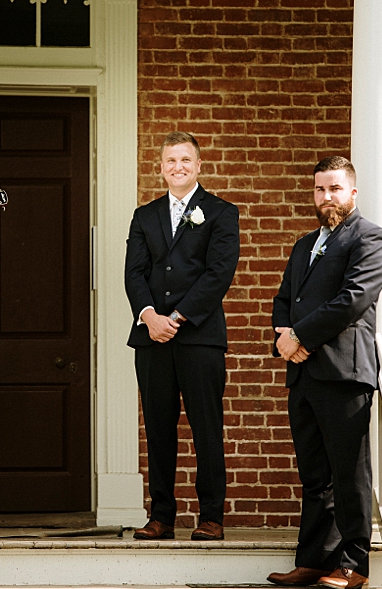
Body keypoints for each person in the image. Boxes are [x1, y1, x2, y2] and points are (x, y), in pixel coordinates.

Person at [267, 157, 382, 589]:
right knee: (314, 474)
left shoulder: (370, 239)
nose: (327, 198)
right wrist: (284, 335)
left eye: (335, 189)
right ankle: (316, 560)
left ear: (352, 192)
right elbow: (284, 298)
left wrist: (299, 336)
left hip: (343, 372)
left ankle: (355, 566)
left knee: (349, 473)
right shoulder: (304, 244)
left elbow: (353, 300)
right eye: (320, 190)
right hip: (303, 374)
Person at [124, 131, 240, 541]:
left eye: (186, 160)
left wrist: (178, 316)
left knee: (206, 427)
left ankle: (211, 516)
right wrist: (150, 316)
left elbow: (218, 274)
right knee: (158, 428)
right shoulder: (144, 215)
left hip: (200, 337)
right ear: (160, 168)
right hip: (151, 338)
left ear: (199, 166)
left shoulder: (222, 213)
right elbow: (134, 273)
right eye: (171, 161)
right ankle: (162, 516)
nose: (178, 167)